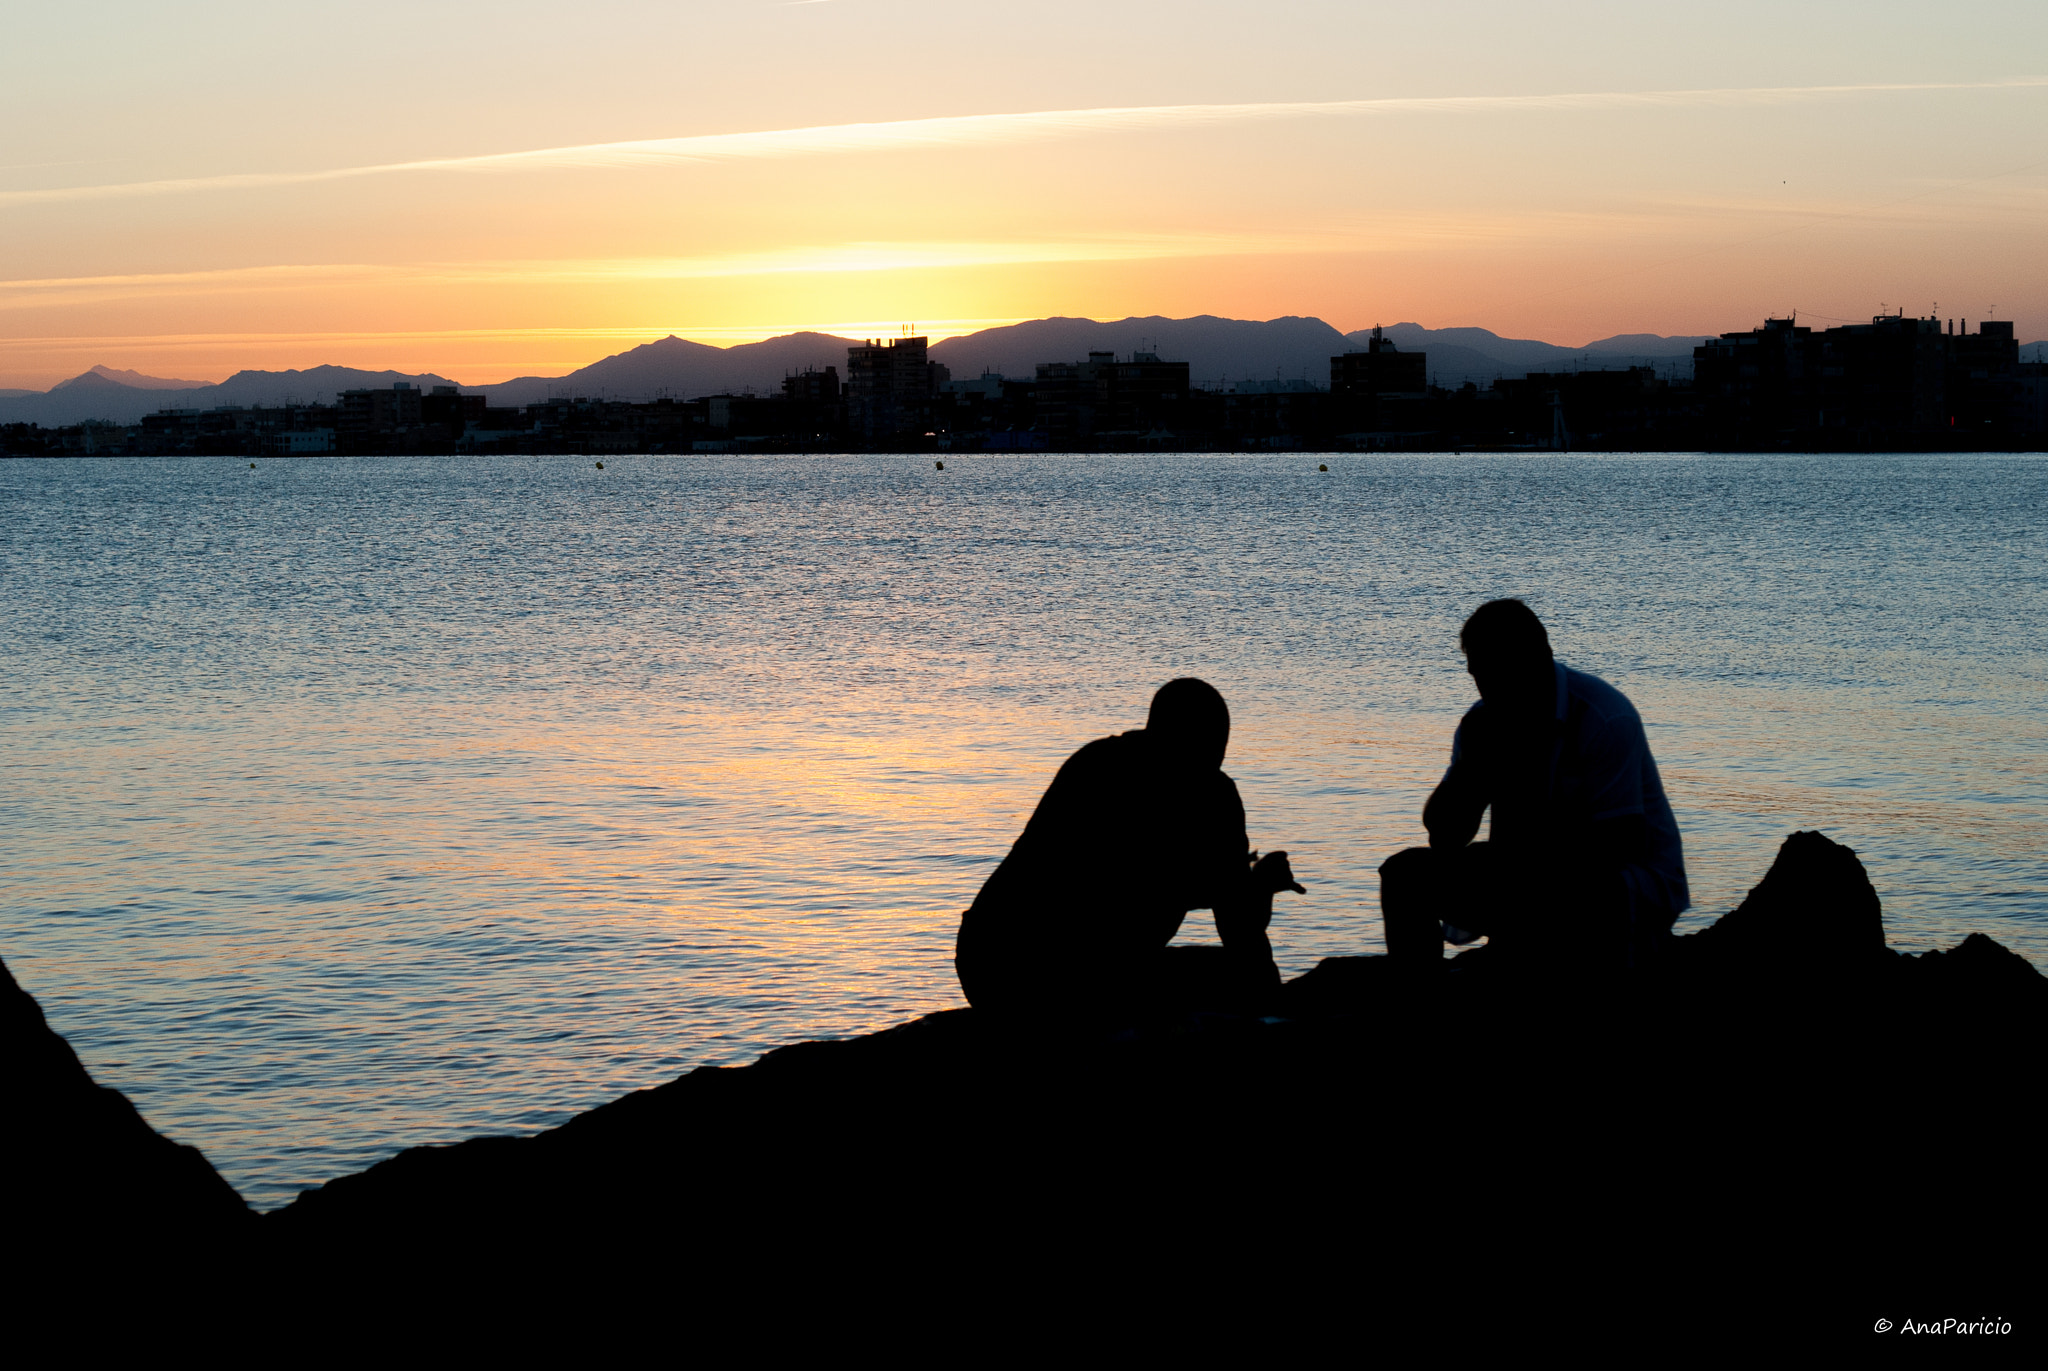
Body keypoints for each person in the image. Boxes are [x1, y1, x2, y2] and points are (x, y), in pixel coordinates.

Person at [955, 678, 1305, 1021]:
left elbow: (1226, 918)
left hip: (990, 961)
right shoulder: (1181, 788)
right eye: (1211, 740)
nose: (1217, 753)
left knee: (1227, 973)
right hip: (1044, 970)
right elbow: (1231, 925)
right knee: (1232, 978)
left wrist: (1253, 888)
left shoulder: (1099, 762)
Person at [1380, 599, 1688, 970]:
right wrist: (1470, 769)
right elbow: (1444, 837)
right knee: (1404, 874)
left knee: (1559, 888)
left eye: (1500, 671)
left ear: (1538, 659)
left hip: (1625, 882)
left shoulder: (1601, 716)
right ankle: (1414, 999)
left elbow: (1620, 844)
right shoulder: (1482, 724)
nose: (1489, 689)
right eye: (1480, 674)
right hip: (1526, 871)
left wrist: (1519, 872)